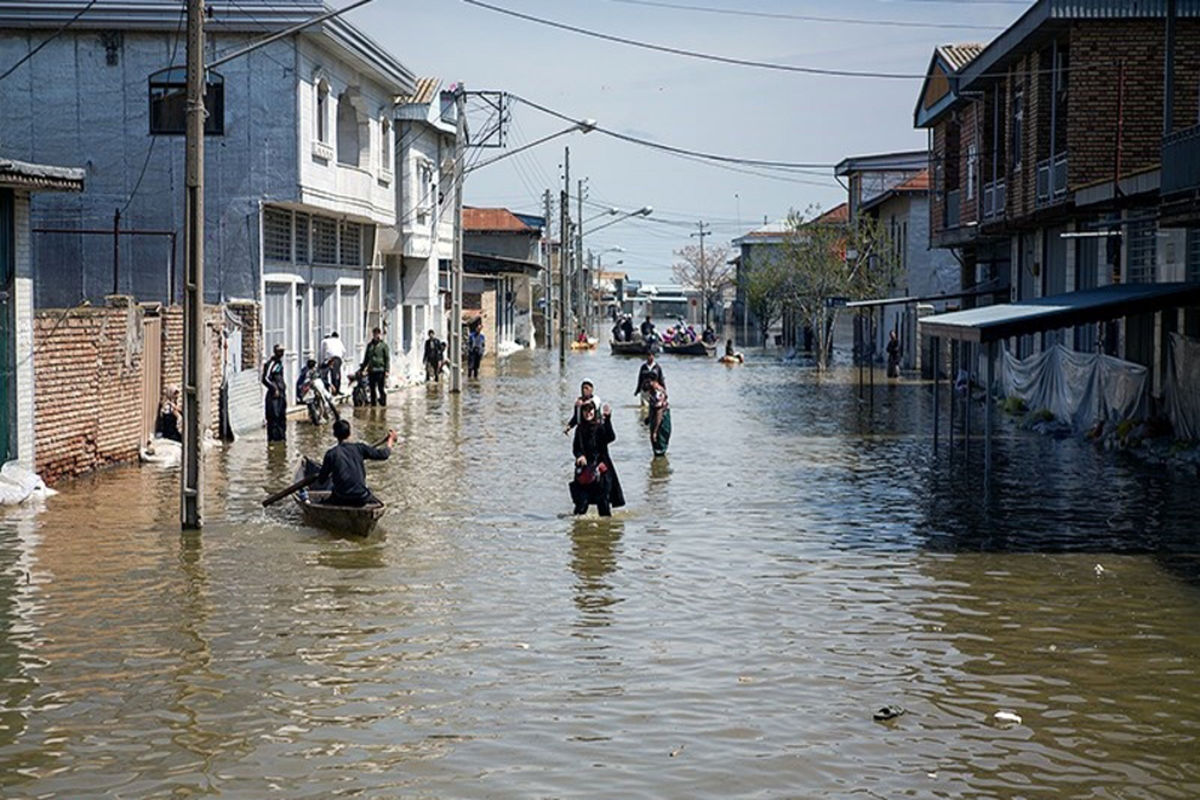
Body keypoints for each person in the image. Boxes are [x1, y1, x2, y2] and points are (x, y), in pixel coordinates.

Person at [316, 419, 396, 507]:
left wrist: (329, 471)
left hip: (341, 498)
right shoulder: (360, 448)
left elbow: (321, 480)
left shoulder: (331, 454)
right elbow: (384, 454)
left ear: (334, 435)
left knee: (326, 498)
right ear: (349, 433)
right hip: (361, 498)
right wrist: (390, 441)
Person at [569, 402, 625, 516]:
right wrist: (579, 456)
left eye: (590, 410)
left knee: (603, 502)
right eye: (585, 411)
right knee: (581, 504)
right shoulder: (580, 429)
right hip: (585, 469)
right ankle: (578, 529)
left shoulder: (600, 427)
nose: (588, 413)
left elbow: (611, 437)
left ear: (595, 412)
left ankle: (605, 529)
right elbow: (576, 448)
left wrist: (608, 419)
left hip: (602, 468)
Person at [261, 343, 288, 442]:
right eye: (280, 351)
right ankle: (273, 440)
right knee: (273, 418)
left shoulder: (279, 364)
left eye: (283, 351)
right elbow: (265, 378)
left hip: (281, 395)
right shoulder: (271, 364)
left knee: (282, 418)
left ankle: (281, 440)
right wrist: (274, 388)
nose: (282, 353)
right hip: (273, 397)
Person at [360, 327, 390, 406]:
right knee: (372, 389)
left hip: (380, 369)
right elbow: (366, 358)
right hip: (372, 370)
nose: (376, 335)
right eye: (374, 334)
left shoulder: (383, 346)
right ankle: (373, 405)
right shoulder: (370, 346)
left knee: (380, 388)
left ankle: (383, 403)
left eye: (377, 334)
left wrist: (387, 370)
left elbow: (387, 358)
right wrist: (362, 368)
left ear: (380, 334)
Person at [646, 377, 671, 457]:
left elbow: (659, 413)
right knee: (658, 443)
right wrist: (648, 418)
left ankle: (660, 464)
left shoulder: (657, 394)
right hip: (658, 417)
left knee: (659, 442)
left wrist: (655, 431)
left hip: (661, 420)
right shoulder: (658, 389)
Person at [319, 331, 345, 395]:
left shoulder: (324, 341)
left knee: (325, 374)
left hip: (329, 359)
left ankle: (328, 389)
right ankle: (336, 390)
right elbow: (344, 351)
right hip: (337, 359)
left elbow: (322, 353)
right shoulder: (338, 341)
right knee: (336, 374)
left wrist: (321, 362)